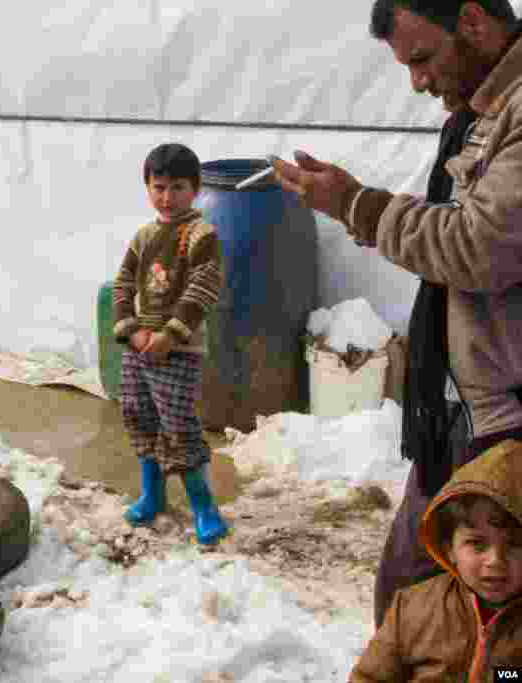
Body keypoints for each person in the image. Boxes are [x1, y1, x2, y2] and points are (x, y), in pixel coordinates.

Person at [270, 0, 522, 626]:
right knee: (410, 599)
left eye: (422, 58)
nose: (416, 80)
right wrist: (370, 213)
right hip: (458, 403)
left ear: (472, 21)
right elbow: (464, 222)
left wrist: (360, 206)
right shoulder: (482, 108)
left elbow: (480, 247)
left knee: (488, 616)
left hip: (502, 413)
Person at [111, 143, 229, 545]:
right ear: (147, 187)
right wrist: (131, 329)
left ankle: (203, 506)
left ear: (195, 189)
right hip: (139, 346)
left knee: (178, 424)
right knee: (137, 413)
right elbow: (123, 284)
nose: (167, 197)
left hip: (179, 348)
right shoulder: (143, 235)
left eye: (177, 187)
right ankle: (153, 494)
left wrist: (170, 334)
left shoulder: (201, 234)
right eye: (158, 187)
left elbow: (203, 287)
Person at [349, 439, 522, 681]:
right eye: (477, 544)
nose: (495, 561)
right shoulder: (412, 610)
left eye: (515, 545)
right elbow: (369, 678)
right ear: (450, 547)